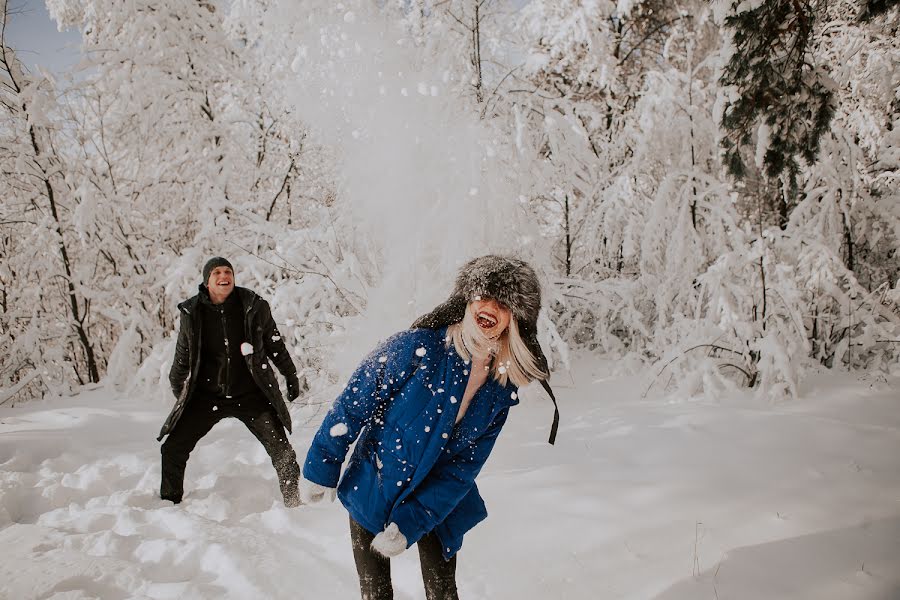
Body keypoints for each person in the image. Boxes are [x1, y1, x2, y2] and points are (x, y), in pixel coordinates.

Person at [299, 255, 558, 600]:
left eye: (502, 303)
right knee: (375, 593)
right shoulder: (415, 348)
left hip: (437, 501)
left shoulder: (500, 391)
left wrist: (411, 522)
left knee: (443, 593)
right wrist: (322, 467)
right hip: (373, 482)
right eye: (482, 296)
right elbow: (353, 404)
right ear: (466, 300)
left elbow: (460, 470)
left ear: (515, 319)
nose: (489, 307)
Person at [157, 257, 304, 507]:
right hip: (206, 396)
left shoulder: (254, 306)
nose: (224, 276)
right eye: (217, 272)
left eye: (228, 271)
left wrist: (290, 376)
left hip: (250, 395)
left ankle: (294, 503)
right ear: (207, 281)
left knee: (283, 453)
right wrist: (177, 385)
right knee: (172, 449)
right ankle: (169, 504)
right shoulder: (192, 312)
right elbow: (184, 352)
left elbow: (274, 344)